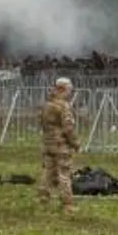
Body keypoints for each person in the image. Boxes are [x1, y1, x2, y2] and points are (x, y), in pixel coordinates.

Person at [38, 77, 80, 213]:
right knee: (64, 174)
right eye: (69, 90)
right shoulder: (63, 106)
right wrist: (75, 143)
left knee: (48, 172)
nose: (70, 93)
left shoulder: (47, 105)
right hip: (61, 145)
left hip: (48, 143)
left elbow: (42, 124)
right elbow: (68, 128)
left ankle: (43, 198)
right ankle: (67, 204)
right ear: (63, 89)